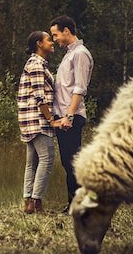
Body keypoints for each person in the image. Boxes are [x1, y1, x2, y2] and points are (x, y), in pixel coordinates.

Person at [49, 15, 94, 214]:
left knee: (72, 161)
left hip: (71, 117)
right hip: (62, 117)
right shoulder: (69, 54)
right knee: (68, 162)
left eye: (55, 34)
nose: (54, 39)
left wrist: (68, 116)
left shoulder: (81, 54)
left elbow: (79, 88)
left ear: (67, 31)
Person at [17, 31, 61, 214]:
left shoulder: (37, 64)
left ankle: (29, 202)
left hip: (31, 120)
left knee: (32, 162)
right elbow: (39, 98)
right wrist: (51, 120)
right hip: (38, 120)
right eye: (48, 40)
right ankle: (36, 202)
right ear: (38, 44)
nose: (52, 42)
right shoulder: (36, 65)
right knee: (47, 159)